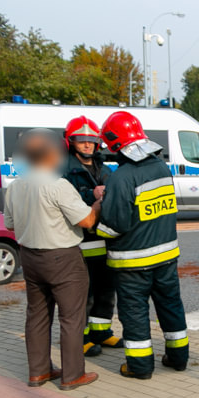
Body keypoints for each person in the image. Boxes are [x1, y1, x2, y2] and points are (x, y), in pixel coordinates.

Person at [3, 129, 100, 390]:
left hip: (30, 258)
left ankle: (39, 371)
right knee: (71, 318)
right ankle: (72, 375)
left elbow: (10, 225)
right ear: (50, 155)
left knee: (37, 315)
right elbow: (87, 220)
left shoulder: (15, 187)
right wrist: (98, 201)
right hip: (62, 258)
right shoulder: (58, 185)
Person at [96, 111, 188, 380]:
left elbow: (115, 225)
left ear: (115, 144)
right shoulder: (161, 168)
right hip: (167, 257)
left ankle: (139, 367)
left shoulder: (121, 177)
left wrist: (92, 224)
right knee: (171, 308)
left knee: (135, 314)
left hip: (132, 264)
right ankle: (178, 358)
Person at [62, 116, 123, 358]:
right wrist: (90, 193)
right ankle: (82, 337)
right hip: (79, 241)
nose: (87, 145)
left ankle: (101, 331)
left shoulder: (104, 168)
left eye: (92, 141)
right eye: (81, 140)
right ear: (70, 142)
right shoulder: (64, 169)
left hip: (103, 239)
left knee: (106, 290)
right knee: (83, 294)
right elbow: (63, 199)